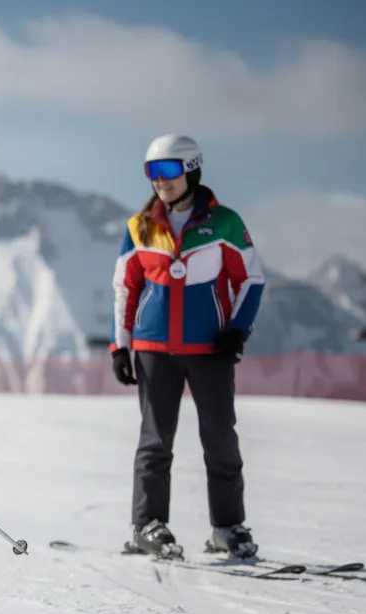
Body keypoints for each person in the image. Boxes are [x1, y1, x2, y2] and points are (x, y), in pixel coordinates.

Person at [109, 134, 265, 560]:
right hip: (154, 349)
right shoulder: (140, 227)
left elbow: (252, 279)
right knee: (155, 441)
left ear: (192, 169)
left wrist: (238, 330)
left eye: (169, 171)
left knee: (220, 438)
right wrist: (120, 347)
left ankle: (228, 527)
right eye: (152, 172)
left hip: (209, 350)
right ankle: (147, 527)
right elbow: (125, 288)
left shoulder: (227, 223)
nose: (161, 181)